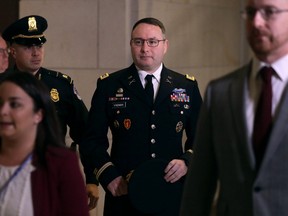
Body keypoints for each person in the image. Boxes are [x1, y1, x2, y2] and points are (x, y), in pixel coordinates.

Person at [79, 17, 202, 216]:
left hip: (171, 192)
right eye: (138, 42)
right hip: (124, 194)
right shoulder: (109, 85)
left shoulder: (187, 86)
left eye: (152, 42)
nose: (145, 48)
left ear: (165, 45)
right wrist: (108, 175)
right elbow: (92, 140)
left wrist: (187, 161)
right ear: (131, 45)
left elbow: (203, 138)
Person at [180, 0, 288, 215]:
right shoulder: (219, 93)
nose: (256, 22)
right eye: (250, 12)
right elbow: (199, 185)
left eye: (269, 12)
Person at [2, 15, 99, 209]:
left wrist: (92, 178)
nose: (36, 52)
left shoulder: (60, 85)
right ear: (13, 50)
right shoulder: (3, 86)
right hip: (9, 167)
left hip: (51, 169)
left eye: (40, 46)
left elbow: (86, 132)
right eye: (28, 47)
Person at [0, 72, 89, 216]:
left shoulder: (61, 163)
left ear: (38, 114)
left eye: (14, 104)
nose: (3, 111)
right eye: (0, 103)